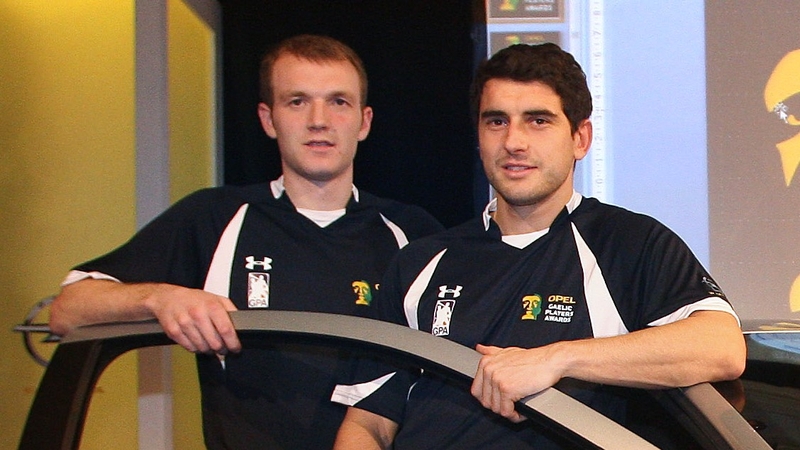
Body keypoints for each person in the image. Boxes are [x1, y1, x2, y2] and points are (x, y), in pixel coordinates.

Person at [331, 42, 747, 449]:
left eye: (538, 121)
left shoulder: (627, 243)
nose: (514, 141)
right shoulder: (422, 261)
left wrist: (555, 359)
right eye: (496, 121)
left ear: (580, 138)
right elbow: (368, 422)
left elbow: (721, 347)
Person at [48, 34, 443, 449]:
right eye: (297, 101)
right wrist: (160, 298)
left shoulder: (411, 233)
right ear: (268, 119)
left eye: (338, 102)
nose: (319, 120)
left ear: (364, 122)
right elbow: (68, 310)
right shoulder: (213, 217)